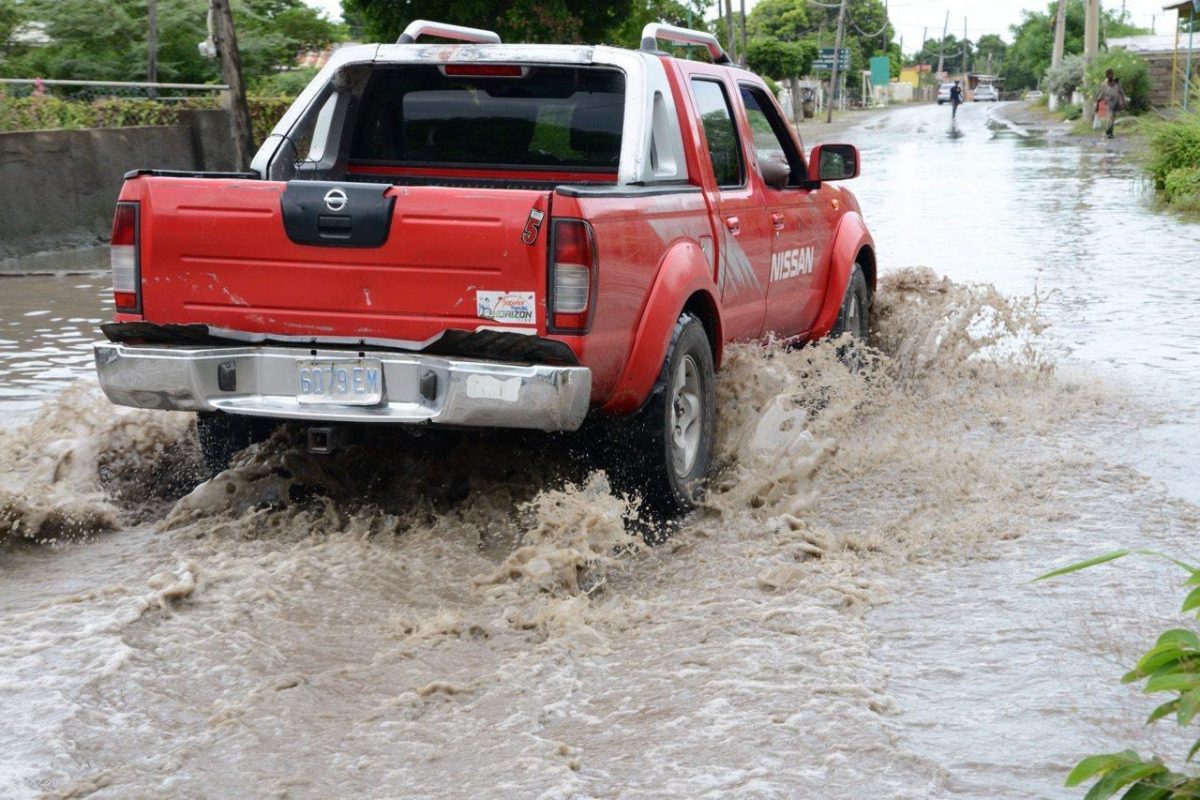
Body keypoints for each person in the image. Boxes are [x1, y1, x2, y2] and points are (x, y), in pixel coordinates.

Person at [1094, 69, 1128, 139]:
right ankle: (1109, 132)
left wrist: (1124, 102)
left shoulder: (1117, 83)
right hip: (1109, 103)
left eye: (1111, 74)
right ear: (1106, 76)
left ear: (1113, 74)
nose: (1110, 75)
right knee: (1110, 117)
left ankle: (1108, 131)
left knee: (1112, 118)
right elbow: (1099, 96)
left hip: (1116, 102)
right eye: (1108, 74)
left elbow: (1121, 92)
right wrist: (1097, 106)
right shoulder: (1104, 85)